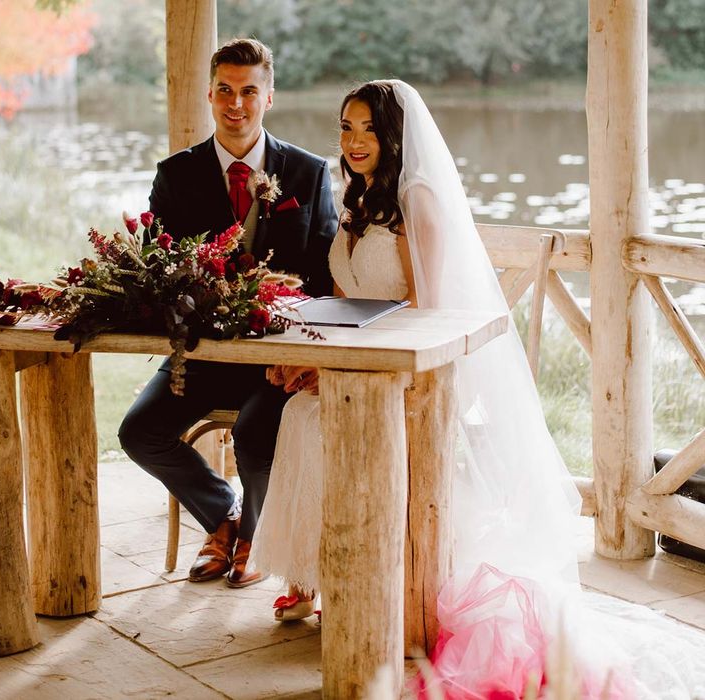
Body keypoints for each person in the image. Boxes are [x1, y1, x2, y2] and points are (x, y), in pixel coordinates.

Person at [250, 80, 705, 697]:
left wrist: (339, 369)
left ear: (394, 136)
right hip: (361, 364)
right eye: (346, 128)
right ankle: (320, 578)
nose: (354, 142)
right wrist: (310, 352)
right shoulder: (356, 197)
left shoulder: (420, 200)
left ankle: (365, 585)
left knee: (315, 421)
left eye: (368, 130)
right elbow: (346, 299)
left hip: (416, 374)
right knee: (297, 414)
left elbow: (428, 310)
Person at [118, 38, 337, 589]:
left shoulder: (308, 172)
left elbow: (324, 270)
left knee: (255, 432)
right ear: (209, 95)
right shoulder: (176, 175)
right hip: (203, 355)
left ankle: (257, 539)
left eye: (248, 91)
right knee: (139, 431)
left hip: (276, 358)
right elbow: (158, 264)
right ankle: (226, 516)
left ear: (269, 97)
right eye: (224, 91)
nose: (235, 104)